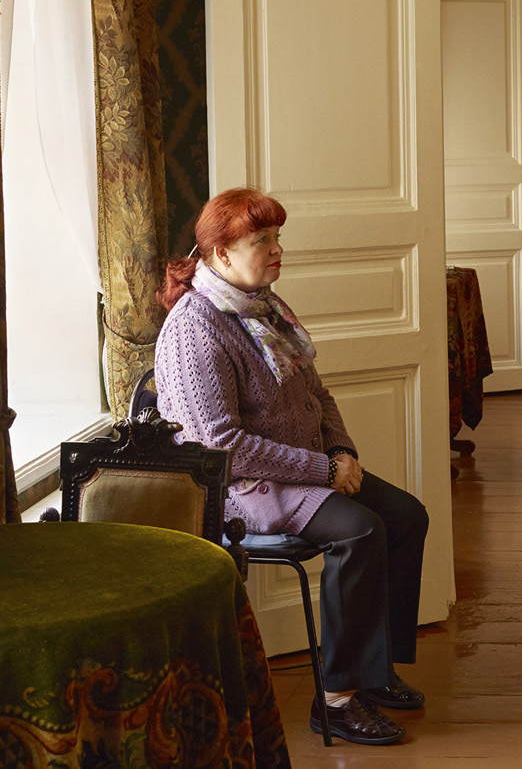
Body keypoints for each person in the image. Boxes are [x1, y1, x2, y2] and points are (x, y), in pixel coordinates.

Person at [155, 187, 428, 746]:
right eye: (262, 240)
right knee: (360, 531)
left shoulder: (266, 307)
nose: (277, 249)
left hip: (304, 469)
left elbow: (315, 393)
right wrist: (323, 471)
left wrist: (342, 452)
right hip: (243, 487)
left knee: (406, 516)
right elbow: (221, 445)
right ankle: (336, 699)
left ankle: (372, 671)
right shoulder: (195, 328)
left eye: (278, 237)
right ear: (221, 253)